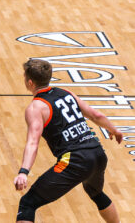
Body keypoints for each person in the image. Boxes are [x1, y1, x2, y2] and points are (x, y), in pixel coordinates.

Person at [14, 59, 122, 223]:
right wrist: (114, 130)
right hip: (97, 153)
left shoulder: (36, 107)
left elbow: (32, 142)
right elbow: (95, 115)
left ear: (30, 82)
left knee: (28, 203)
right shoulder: (65, 92)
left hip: (75, 160)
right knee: (96, 192)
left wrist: (24, 171)